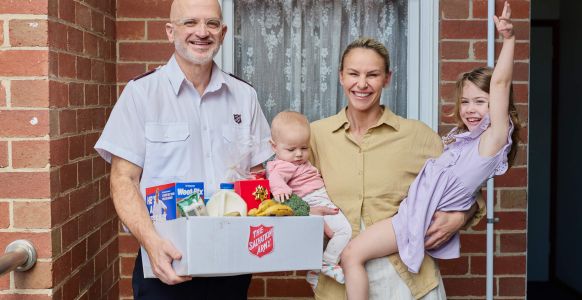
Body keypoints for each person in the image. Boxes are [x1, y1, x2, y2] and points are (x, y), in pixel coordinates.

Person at [94, 0, 273, 298]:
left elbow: (257, 176)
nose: (202, 32)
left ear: (223, 32)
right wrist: (151, 242)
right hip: (166, 262)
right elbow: (123, 180)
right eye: (190, 23)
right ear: (170, 31)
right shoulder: (141, 94)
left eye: (212, 24)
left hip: (232, 262)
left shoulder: (244, 96)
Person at [340, 2, 520, 299]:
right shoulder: (460, 141)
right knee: (350, 256)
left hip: (416, 222)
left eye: (481, 101)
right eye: (465, 101)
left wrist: (509, 40)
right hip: (409, 216)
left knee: (352, 256)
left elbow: (500, 83)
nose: (471, 110)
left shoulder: (492, 140)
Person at [309, 38, 488, 300]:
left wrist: (459, 217)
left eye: (372, 74)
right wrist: (304, 210)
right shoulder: (317, 135)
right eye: (353, 74)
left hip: (408, 283)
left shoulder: (417, 135)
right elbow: (287, 189)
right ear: (340, 77)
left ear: (387, 78)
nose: (362, 84)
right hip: (341, 283)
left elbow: (466, 185)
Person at [267, 111, 352, 287]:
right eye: (291, 149)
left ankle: (314, 274)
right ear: (274, 147)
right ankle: (327, 263)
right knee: (344, 231)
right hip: (313, 202)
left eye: (304, 148)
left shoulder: (294, 161)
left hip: (318, 201)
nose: (298, 154)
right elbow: (275, 178)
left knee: (326, 238)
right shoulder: (284, 165)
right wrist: (280, 188)